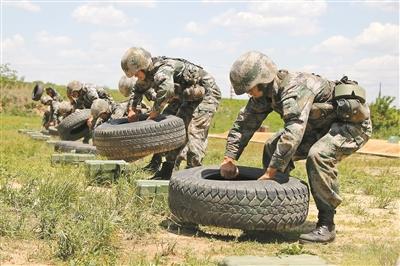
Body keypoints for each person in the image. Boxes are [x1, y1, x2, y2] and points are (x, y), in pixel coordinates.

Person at [220, 51, 371, 244]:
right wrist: (229, 158)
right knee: (271, 146)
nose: (248, 93)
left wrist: (271, 172)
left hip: (351, 126)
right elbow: (243, 124)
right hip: (320, 126)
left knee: (319, 155)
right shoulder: (264, 94)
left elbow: (293, 132)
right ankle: (273, 217)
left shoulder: (294, 88)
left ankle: (327, 224)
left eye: (249, 88)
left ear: (262, 80)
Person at [121, 47, 221, 179]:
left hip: (207, 93)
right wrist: (132, 109)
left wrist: (155, 112)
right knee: (176, 131)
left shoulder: (163, 69)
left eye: (136, 73)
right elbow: (137, 90)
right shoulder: (148, 74)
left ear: (142, 67)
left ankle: (193, 174)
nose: (135, 76)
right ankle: (168, 170)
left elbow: (166, 90)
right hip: (188, 96)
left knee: (194, 131)